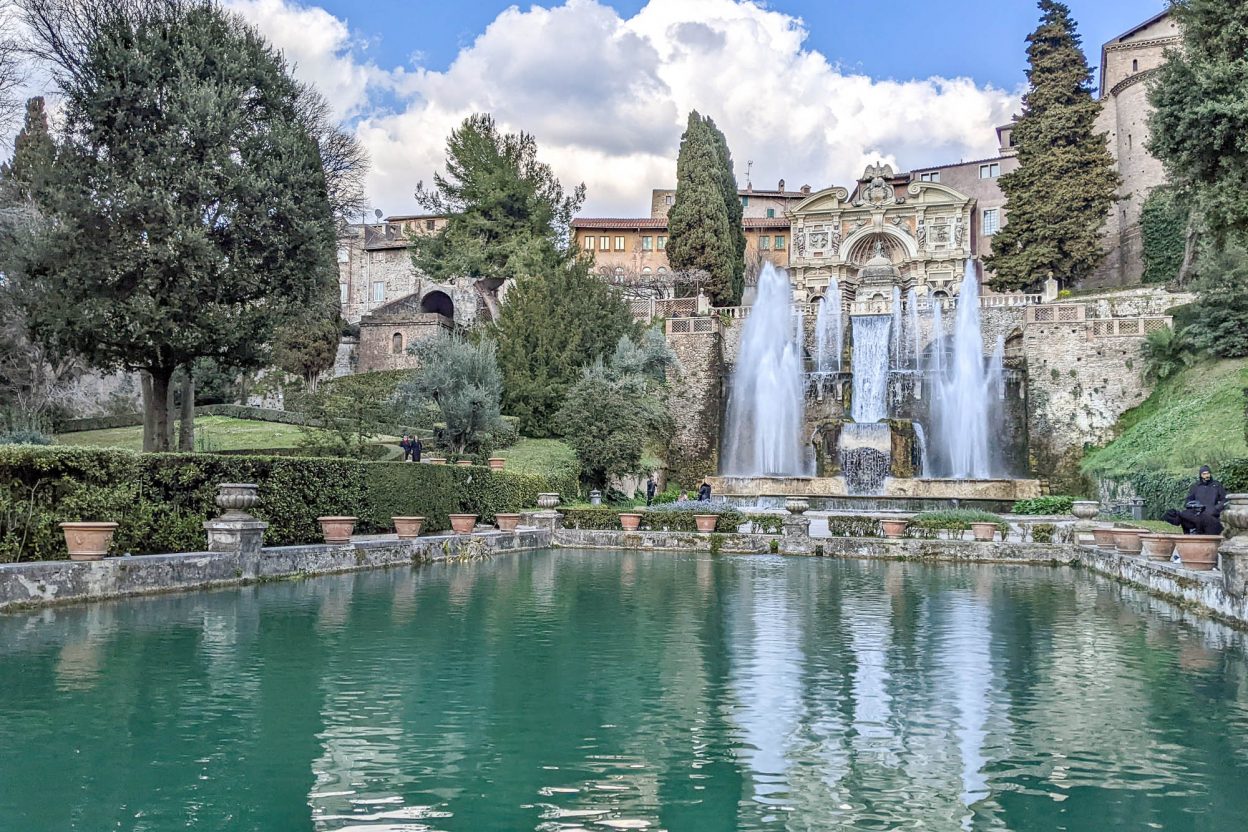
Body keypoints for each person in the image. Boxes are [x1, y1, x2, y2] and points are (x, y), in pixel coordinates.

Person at [1164, 465, 1227, 535]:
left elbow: (1224, 500)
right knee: (1183, 516)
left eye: (1208, 473)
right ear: (1200, 475)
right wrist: (1194, 508)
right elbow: (1188, 501)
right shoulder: (1195, 486)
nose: (1207, 475)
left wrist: (1216, 509)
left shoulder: (1217, 485)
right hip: (1197, 514)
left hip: (1212, 515)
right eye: (1204, 474)